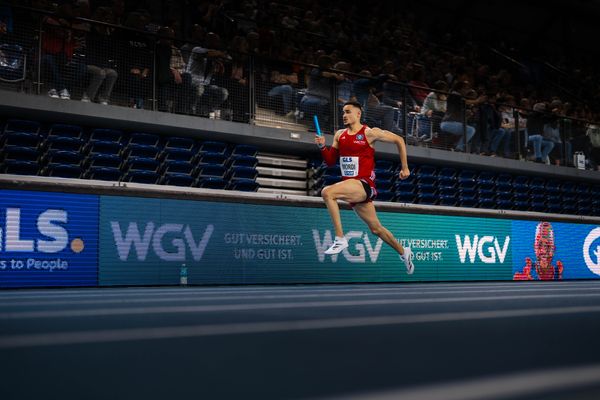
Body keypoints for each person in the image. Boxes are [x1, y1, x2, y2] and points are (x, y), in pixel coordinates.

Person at [314, 100, 415, 273]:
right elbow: (330, 161)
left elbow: (399, 139)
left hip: (363, 184)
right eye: (343, 113)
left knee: (327, 192)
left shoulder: (369, 133)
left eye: (348, 112)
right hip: (351, 187)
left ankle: (340, 237)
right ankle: (404, 252)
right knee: (376, 229)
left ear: (358, 114)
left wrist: (405, 167)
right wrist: (323, 146)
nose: (344, 115)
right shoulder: (339, 135)